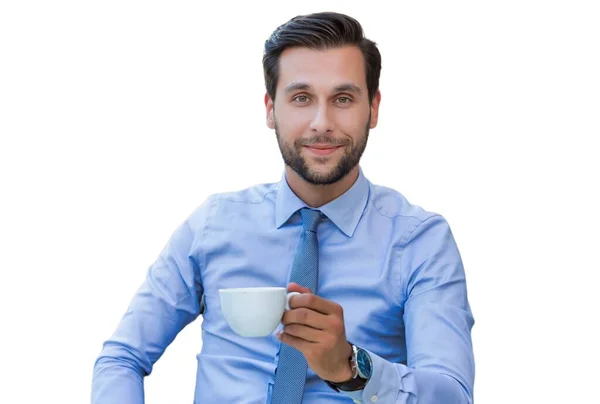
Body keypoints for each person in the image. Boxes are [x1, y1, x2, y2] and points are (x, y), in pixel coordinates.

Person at [92, 11, 475, 404]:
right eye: (301, 98)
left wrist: (350, 367)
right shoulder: (212, 225)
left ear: (373, 109)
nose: (321, 123)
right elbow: (122, 358)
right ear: (271, 109)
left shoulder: (420, 241)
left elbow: (453, 394)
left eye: (343, 99)